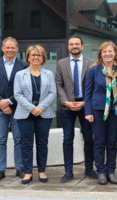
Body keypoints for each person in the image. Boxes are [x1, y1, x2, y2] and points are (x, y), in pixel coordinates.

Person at [85, 41, 117, 185]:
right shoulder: (93, 70)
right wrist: (88, 111)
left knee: (112, 143)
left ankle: (111, 171)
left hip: (115, 111)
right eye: (104, 52)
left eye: (110, 51)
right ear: (100, 54)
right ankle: (101, 172)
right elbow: (88, 92)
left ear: (115, 53)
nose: (107, 54)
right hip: (98, 111)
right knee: (99, 142)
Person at [55, 35, 97, 183]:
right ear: (68, 47)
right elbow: (58, 84)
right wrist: (66, 102)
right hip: (67, 107)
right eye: (71, 44)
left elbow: (94, 86)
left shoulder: (91, 63)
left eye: (77, 44)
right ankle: (68, 171)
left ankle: (89, 170)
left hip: (86, 106)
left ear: (82, 46)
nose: (74, 46)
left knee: (89, 138)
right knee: (68, 138)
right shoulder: (61, 63)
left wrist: (86, 102)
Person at [14, 45, 57, 184]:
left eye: (39, 55)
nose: (36, 57)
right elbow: (17, 94)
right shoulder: (20, 74)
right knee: (26, 144)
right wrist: (32, 108)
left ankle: (41, 171)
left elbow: (53, 93)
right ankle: (27, 172)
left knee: (42, 144)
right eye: (33, 55)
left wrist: (40, 107)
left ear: (43, 57)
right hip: (25, 114)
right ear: (28, 57)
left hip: (44, 113)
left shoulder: (49, 74)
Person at [0, 37, 27, 180]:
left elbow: (25, 89)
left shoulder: (23, 65)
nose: (10, 50)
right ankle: (0, 169)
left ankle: (20, 168)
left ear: (17, 49)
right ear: (2, 48)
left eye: (13, 47)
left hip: (18, 108)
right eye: (7, 47)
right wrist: (2, 104)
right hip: (0, 109)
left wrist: (9, 102)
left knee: (19, 139)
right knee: (0, 139)